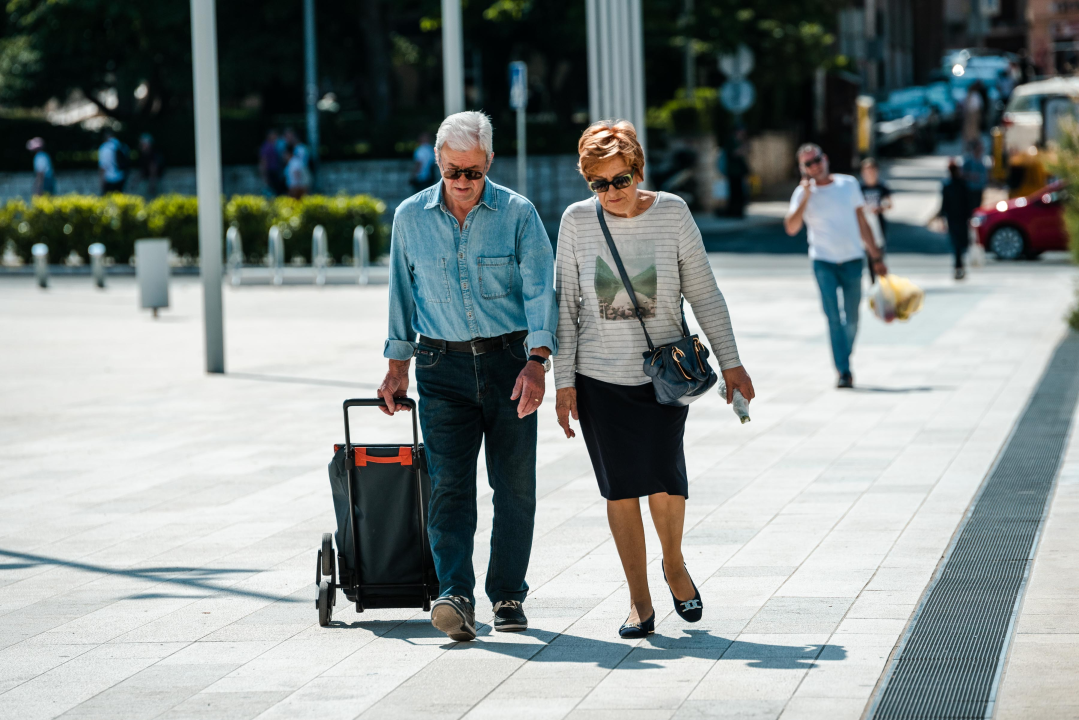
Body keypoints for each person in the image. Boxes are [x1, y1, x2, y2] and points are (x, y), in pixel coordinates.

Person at [553, 120, 755, 639]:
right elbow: (567, 311)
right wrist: (564, 383)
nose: (612, 193)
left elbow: (704, 293)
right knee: (620, 489)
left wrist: (732, 362)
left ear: (639, 171)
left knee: (665, 477)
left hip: (664, 376)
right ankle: (638, 600)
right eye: (599, 184)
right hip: (599, 378)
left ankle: (674, 564)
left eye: (620, 180)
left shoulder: (672, 213)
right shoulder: (576, 222)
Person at [378, 111, 557, 642]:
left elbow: (540, 291)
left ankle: (507, 594)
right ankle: (455, 594)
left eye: (473, 172)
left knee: (514, 485)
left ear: (489, 164)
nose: (462, 182)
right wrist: (396, 369)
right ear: (437, 161)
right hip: (440, 365)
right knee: (451, 487)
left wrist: (538, 362)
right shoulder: (410, 218)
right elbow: (400, 296)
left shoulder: (519, 214)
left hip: (510, 363)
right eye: (454, 170)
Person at [784, 143, 887, 389]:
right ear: (803, 168)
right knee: (833, 318)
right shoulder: (801, 194)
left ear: (825, 158)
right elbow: (791, 227)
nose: (814, 166)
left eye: (816, 160)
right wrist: (806, 196)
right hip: (823, 262)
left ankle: (844, 356)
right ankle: (843, 370)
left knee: (851, 318)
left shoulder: (848, 184)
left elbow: (862, 221)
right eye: (808, 164)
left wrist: (876, 257)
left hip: (853, 260)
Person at [859, 158, 892, 283]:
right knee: (868, 255)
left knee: (879, 254)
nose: (870, 173)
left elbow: (889, 203)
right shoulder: (860, 188)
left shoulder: (881, 186)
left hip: (878, 225)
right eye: (867, 171)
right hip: (864, 224)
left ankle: (882, 282)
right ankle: (874, 283)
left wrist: (879, 208)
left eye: (872, 170)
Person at [941, 159, 973, 280]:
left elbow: (944, 204)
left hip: (952, 218)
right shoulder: (962, 184)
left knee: (956, 243)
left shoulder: (947, 185)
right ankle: (959, 266)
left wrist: (942, 218)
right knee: (961, 243)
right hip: (962, 217)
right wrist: (970, 216)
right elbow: (968, 202)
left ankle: (958, 266)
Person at [723, 127, 750, 218]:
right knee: (734, 192)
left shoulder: (740, 141)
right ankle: (734, 211)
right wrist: (743, 148)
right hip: (733, 171)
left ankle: (739, 211)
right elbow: (734, 154)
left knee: (740, 192)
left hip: (739, 172)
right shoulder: (731, 141)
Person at [962, 138, 988, 212]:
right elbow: (962, 174)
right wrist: (971, 176)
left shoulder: (982, 159)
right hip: (970, 190)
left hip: (979, 189)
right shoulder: (969, 160)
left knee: (978, 209)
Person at [259, 130, 286, 196]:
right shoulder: (266, 146)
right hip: (271, 171)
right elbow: (263, 161)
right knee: (274, 190)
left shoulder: (276, 145)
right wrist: (264, 174)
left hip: (277, 171)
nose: (276, 136)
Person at [962, 81, 985, 146]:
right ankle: (970, 140)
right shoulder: (971, 94)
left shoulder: (975, 95)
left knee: (974, 127)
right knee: (969, 127)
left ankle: (973, 140)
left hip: (974, 113)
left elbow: (979, 105)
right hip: (971, 113)